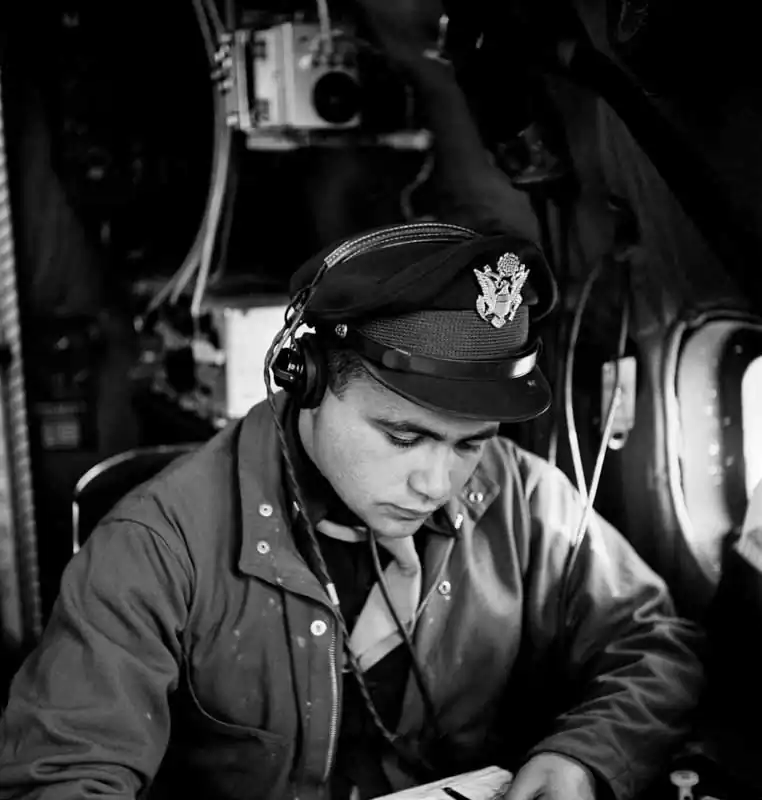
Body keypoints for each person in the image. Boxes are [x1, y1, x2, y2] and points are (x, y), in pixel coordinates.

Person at [0, 221, 703, 800]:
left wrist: (583, 757)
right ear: (306, 381)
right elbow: (65, 777)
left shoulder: (524, 498)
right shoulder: (156, 545)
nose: (437, 482)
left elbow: (656, 644)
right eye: (403, 436)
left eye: (470, 443)